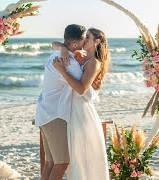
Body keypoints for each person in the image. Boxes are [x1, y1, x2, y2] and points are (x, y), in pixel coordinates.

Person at [35, 24, 98, 180]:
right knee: (62, 164)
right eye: (83, 40)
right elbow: (84, 91)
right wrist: (94, 89)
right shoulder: (69, 63)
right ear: (75, 44)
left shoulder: (56, 54)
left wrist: (62, 47)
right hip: (55, 117)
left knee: (50, 163)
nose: (84, 44)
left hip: (44, 113)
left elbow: (55, 44)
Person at [53, 28, 110, 180]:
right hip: (73, 112)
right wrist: (64, 49)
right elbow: (54, 44)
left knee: (85, 159)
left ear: (97, 42)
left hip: (83, 114)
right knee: (76, 160)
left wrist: (62, 72)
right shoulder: (81, 58)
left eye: (88, 37)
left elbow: (81, 89)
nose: (84, 40)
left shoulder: (94, 63)